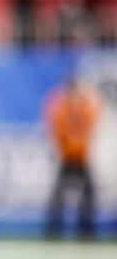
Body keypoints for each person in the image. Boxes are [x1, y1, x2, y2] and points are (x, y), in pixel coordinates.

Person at [44, 77, 102, 239]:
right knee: (58, 197)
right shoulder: (62, 109)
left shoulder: (85, 108)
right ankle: (53, 230)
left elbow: (94, 117)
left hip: (82, 158)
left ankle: (86, 230)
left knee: (88, 196)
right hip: (67, 158)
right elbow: (57, 129)